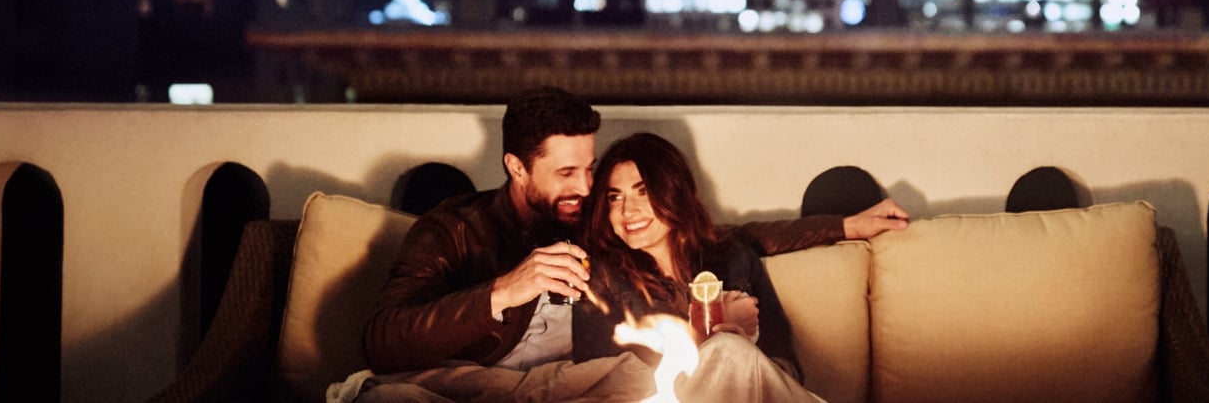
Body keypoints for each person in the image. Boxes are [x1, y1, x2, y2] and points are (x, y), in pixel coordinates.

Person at [354, 87, 910, 402]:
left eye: (590, 168)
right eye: (566, 173)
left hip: (600, 383)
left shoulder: (592, 223)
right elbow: (383, 340)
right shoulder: (452, 229)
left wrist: (842, 227)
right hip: (493, 386)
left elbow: (720, 238)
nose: (586, 188)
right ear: (517, 168)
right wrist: (502, 291)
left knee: (721, 360)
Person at [572, 132, 824, 400]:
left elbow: (787, 368)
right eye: (614, 197)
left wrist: (746, 357)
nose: (627, 211)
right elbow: (604, 385)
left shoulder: (735, 260)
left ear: (674, 191)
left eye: (643, 192)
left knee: (733, 351)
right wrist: (707, 338)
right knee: (728, 348)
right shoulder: (600, 277)